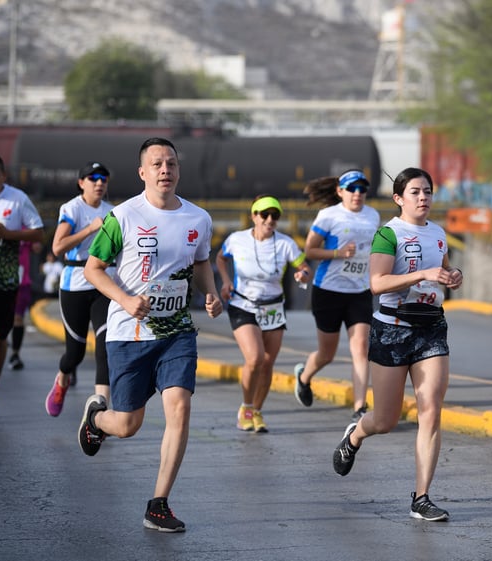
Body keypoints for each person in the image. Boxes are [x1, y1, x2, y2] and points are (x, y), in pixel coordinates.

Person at [79, 137, 223, 533]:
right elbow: (93, 269)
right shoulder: (122, 217)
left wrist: (211, 295)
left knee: (179, 407)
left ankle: (158, 503)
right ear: (143, 172)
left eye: (171, 164)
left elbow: (201, 263)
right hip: (130, 332)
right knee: (127, 425)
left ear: (178, 170)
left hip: (176, 331)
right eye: (157, 164)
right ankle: (97, 420)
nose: (165, 170)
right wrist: (124, 300)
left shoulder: (198, 218)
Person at [332, 167, 463, 521]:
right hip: (392, 330)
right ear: (399, 198)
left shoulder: (438, 234)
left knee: (431, 409)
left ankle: (421, 497)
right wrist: (422, 274)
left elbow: (443, 271)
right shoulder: (388, 234)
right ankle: (356, 435)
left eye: (428, 192)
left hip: (431, 329)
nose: (423, 198)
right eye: (416, 192)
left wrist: (452, 276)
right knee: (386, 420)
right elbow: (377, 283)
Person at [216, 195, 310, 433]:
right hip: (243, 304)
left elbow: (303, 266)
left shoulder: (286, 243)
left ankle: (256, 411)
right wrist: (226, 281)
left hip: (273, 308)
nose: (270, 220)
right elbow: (220, 257)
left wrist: (302, 275)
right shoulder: (237, 240)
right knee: (255, 358)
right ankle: (246, 408)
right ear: (253, 216)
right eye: (264, 214)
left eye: (275, 216)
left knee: (268, 363)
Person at [294, 170, 380, 421]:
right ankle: (304, 377)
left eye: (362, 189)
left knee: (361, 349)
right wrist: (338, 254)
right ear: (339, 191)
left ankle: (359, 408)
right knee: (327, 354)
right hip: (329, 292)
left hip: (359, 291)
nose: (357, 194)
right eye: (352, 189)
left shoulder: (373, 215)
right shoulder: (328, 215)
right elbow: (310, 250)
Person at [44, 162, 115, 417]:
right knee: (75, 354)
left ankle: (101, 409)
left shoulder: (113, 212)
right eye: (93, 178)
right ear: (81, 182)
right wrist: (89, 229)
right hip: (75, 283)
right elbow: (57, 247)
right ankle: (63, 378)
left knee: (106, 345)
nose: (99, 183)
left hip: (104, 283)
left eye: (104, 179)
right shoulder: (72, 208)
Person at [0, 153, 44, 417]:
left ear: (4, 175)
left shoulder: (17, 199)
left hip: (4, 278)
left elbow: (38, 233)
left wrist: (8, 234)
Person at [8, 240, 35, 371]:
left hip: (22, 282)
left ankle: (15, 354)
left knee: (18, 318)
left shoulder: (26, 225)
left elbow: (37, 246)